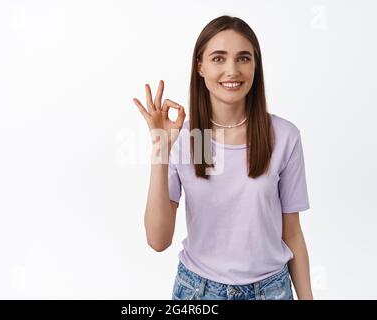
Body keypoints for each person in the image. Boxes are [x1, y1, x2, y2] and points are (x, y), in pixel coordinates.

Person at [132, 15, 313, 300]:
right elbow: (158, 240)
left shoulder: (284, 136)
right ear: (200, 67)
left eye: (243, 58)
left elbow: (292, 233)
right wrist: (160, 149)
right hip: (198, 292)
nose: (232, 70)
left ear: (255, 66)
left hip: (271, 291)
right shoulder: (189, 138)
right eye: (218, 58)